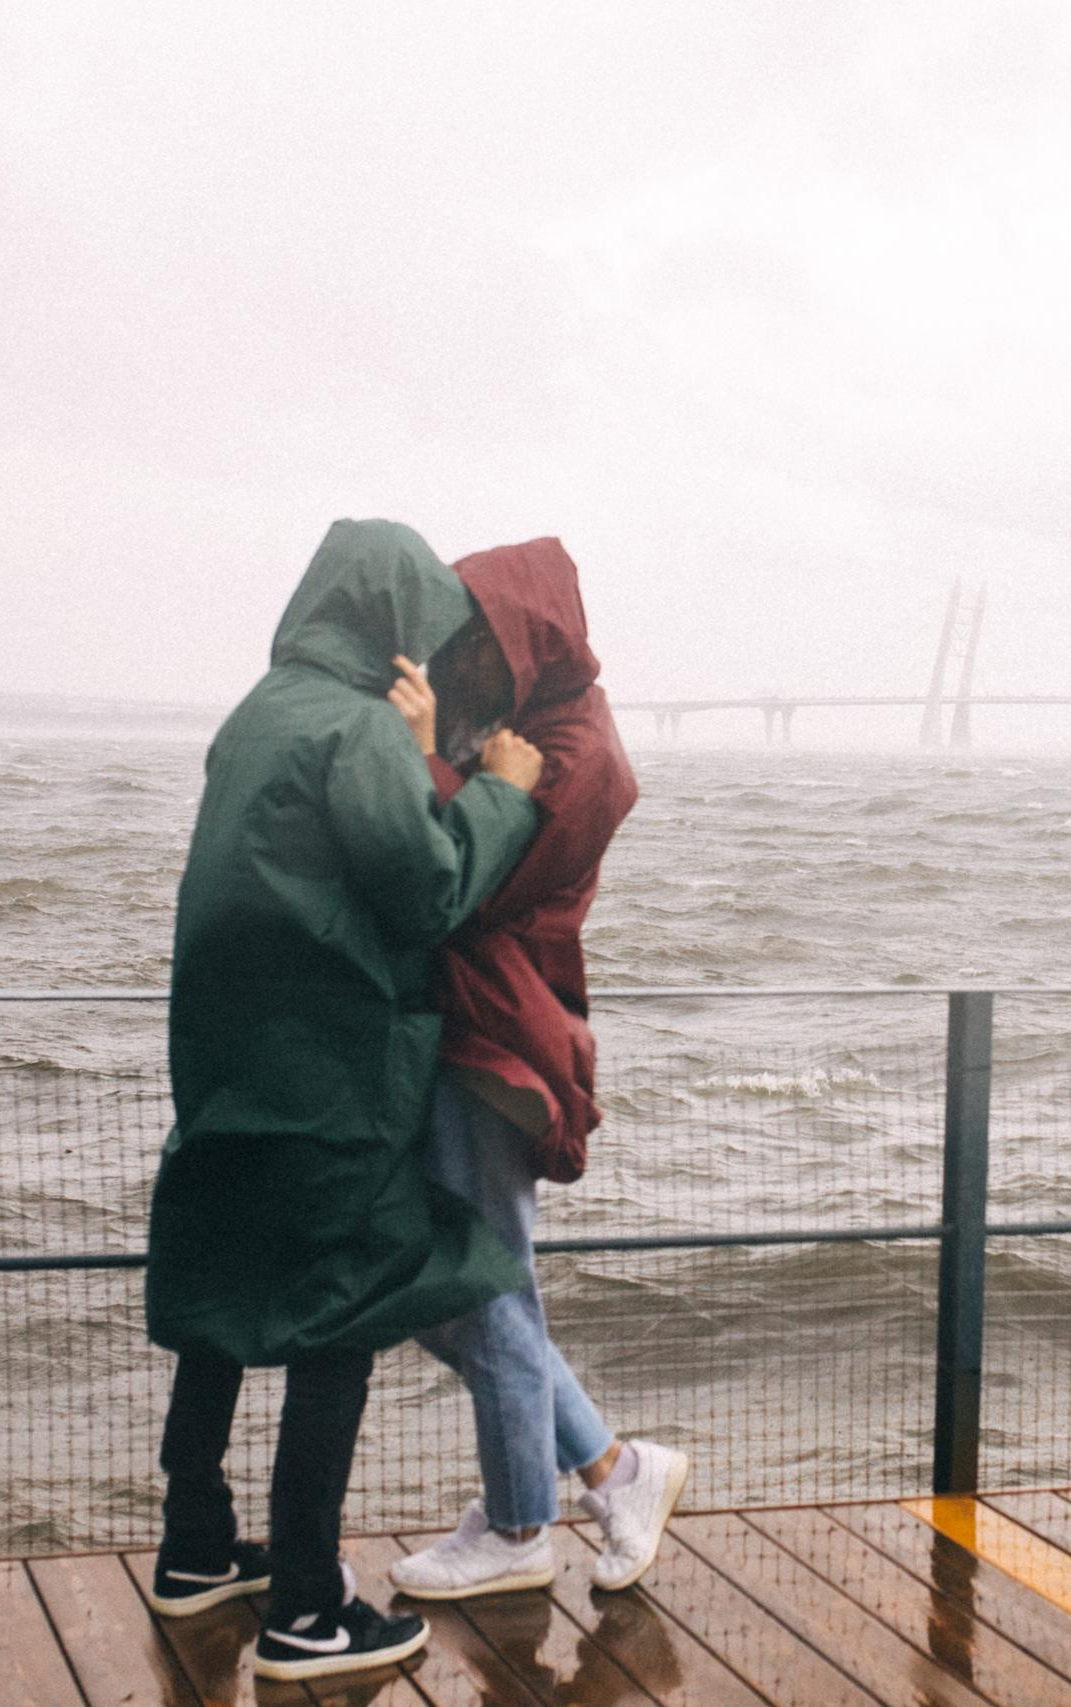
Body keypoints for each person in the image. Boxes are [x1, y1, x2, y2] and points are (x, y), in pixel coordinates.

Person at [142, 519, 546, 1683]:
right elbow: (423, 891)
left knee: (223, 1296)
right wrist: (499, 795)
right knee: (340, 1319)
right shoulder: (354, 726)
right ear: (389, 623)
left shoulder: (255, 715)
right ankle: (309, 1610)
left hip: (226, 1064)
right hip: (333, 1072)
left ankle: (196, 1548)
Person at [376, 538, 690, 1601]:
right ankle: (610, 1468)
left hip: (500, 1033)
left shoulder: (576, 757)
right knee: (458, 1283)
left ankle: (519, 1526)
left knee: (484, 1283)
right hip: (481, 1024)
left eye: (479, 635)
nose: (459, 654)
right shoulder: (534, 725)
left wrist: (425, 758)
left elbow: (462, 884)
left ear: (525, 637)